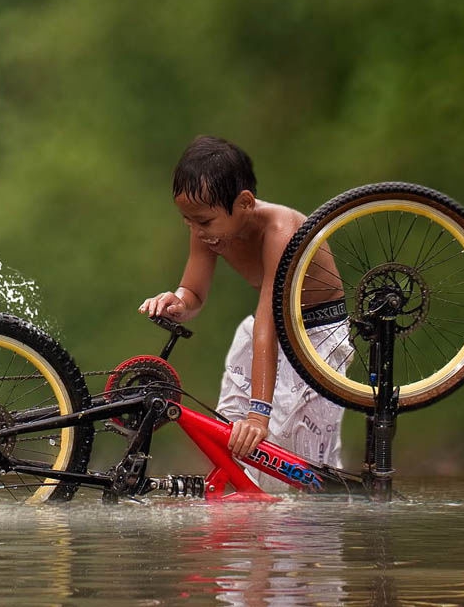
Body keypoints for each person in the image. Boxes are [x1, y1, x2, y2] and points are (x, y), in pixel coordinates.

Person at [139, 135, 352, 488]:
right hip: (263, 332)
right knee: (233, 443)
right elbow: (193, 292)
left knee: (298, 462)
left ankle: (313, 530)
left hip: (316, 336)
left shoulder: (281, 230)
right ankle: (246, 529)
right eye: (187, 221)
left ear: (245, 203)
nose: (196, 231)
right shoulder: (207, 227)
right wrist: (176, 302)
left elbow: (270, 320)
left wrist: (259, 414)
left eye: (204, 222)